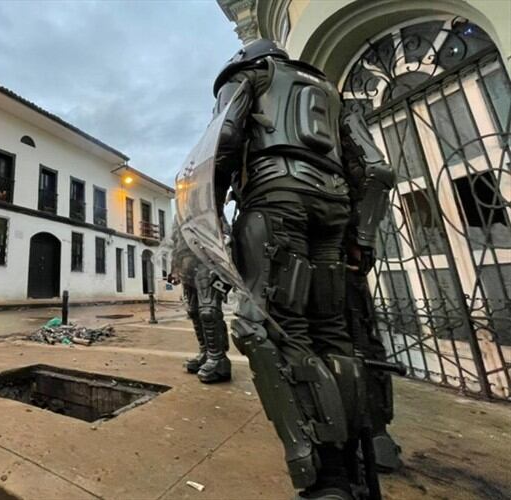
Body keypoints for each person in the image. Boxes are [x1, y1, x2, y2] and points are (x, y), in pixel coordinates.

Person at [211, 39, 374, 499]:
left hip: (274, 203)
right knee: (334, 331)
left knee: (269, 328)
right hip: (335, 209)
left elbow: (224, 140)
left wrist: (213, 210)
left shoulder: (251, 78)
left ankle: (320, 474)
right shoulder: (330, 92)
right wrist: (361, 234)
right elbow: (375, 170)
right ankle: (352, 460)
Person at [340, 113, 402, 473]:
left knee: (355, 337)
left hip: (331, 245)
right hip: (333, 244)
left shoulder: (335, 113)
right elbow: (375, 172)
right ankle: (371, 436)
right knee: (354, 336)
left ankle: (372, 435)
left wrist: (360, 240)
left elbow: (377, 173)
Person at [172, 222, 231, 383]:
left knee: (209, 311)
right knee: (193, 310)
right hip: (187, 266)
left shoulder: (206, 202)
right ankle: (205, 352)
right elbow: (176, 240)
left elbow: (224, 234)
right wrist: (175, 267)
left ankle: (218, 358)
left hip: (207, 263)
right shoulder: (181, 212)